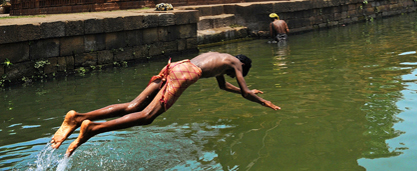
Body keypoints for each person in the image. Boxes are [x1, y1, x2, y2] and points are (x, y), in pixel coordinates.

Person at [50, 52, 280, 157]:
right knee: (148, 116)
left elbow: (223, 87)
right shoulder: (236, 63)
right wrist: (261, 100)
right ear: (242, 65)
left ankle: (77, 118)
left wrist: (243, 90)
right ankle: (93, 128)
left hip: (176, 66)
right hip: (186, 73)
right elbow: (245, 93)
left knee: (134, 106)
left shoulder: (221, 58)